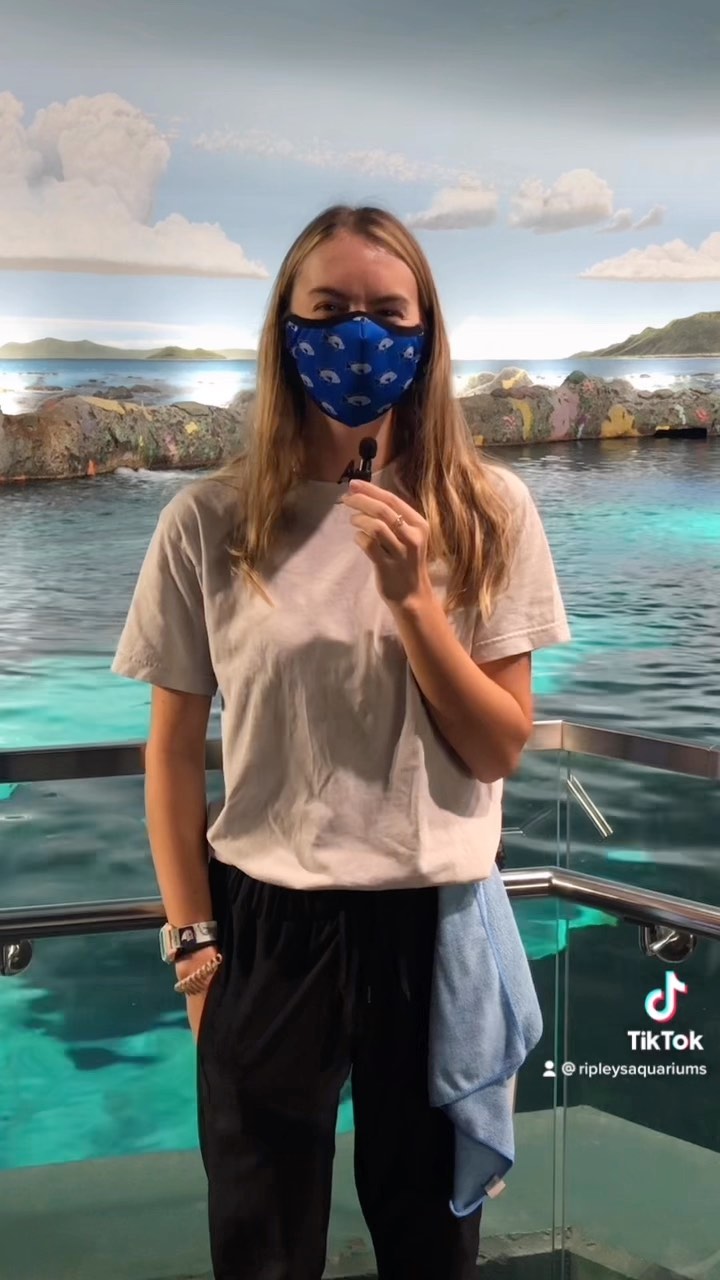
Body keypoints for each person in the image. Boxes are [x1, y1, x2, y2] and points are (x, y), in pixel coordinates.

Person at [112, 203, 570, 1280]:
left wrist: (413, 600)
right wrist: (194, 947)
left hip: (435, 920)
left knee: (431, 1247)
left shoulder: (488, 511)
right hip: (269, 922)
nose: (359, 336)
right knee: (262, 1247)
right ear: (285, 327)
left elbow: (499, 747)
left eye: (387, 312)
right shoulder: (212, 521)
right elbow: (172, 750)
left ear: (426, 330)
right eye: (328, 309)